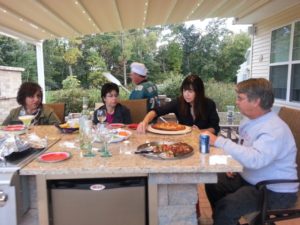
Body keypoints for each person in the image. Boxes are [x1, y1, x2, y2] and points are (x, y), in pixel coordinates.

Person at [202, 78, 298, 225]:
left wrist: (218, 141)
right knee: (213, 181)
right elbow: (247, 150)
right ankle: (224, 220)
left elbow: (255, 160)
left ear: (256, 101)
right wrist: (235, 165)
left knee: (226, 208)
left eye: (240, 98)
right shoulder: (250, 120)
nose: (236, 102)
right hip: (251, 178)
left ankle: (224, 216)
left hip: (274, 190)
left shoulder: (274, 129)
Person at [137, 74, 220, 134]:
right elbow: (156, 111)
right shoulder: (179, 102)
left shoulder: (209, 104)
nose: (186, 94)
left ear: (198, 92)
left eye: (190, 91)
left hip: (204, 141)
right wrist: (144, 122)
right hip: (184, 141)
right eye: (184, 90)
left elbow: (215, 128)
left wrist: (200, 132)